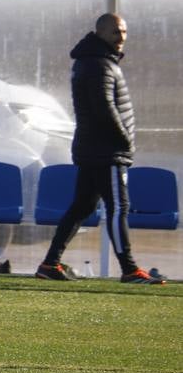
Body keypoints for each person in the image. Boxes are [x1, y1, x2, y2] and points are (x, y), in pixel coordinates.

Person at [37, 14, 165, 284]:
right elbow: (104, 108)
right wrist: (124, 140)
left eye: (124, 32)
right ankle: (130, 270)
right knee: (119, 207)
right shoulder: (98, 64)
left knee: (81, 207)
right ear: (101, 32)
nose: (122, 38)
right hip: (106, 150)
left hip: (93, 147)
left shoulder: (95, 60)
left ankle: (49, 264)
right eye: (116, 32)